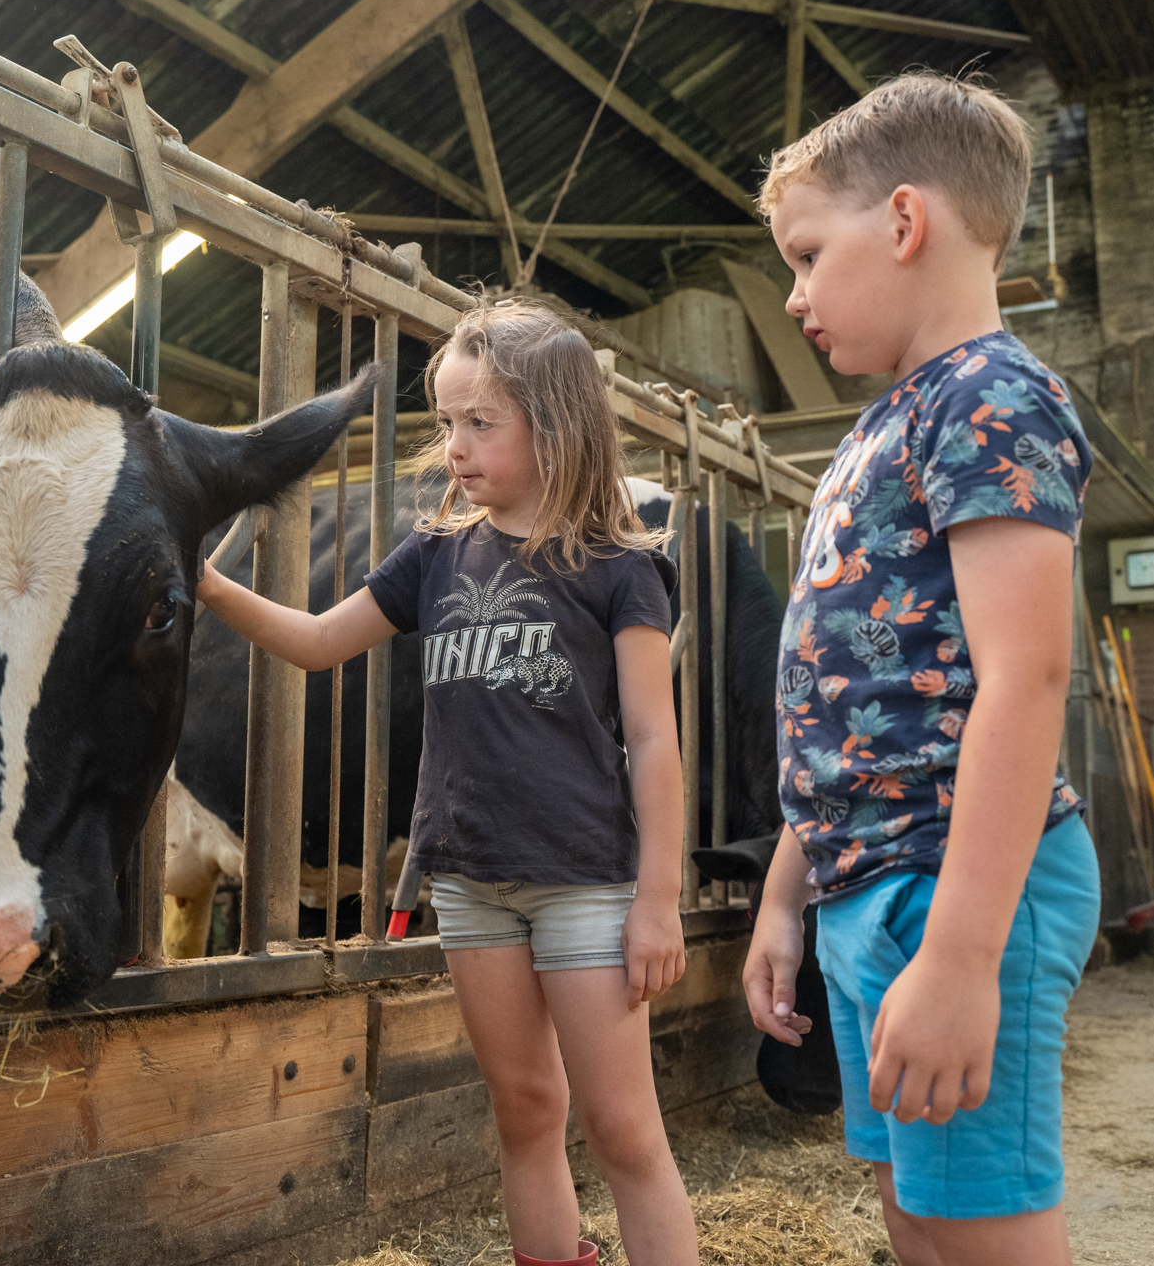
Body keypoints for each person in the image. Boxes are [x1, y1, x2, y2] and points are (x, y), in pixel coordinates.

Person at [196, 302, 699, 1266]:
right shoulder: (433, 553)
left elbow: (653, 737)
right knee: (523, 1110)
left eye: (481, 422)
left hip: (586, 881)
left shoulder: (623, 568)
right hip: (469, 881)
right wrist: (209, 586)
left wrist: (660, 903)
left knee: (624, 1128)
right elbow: (315, 643)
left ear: (553, 427)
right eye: (446, 422)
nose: (455, 446)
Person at [741, 72, 1100, 1266]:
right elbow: (843, 703)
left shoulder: (992, 398)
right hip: (867, 880)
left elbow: (1026, 679)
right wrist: (788, 894)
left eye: (803, 254)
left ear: (903, 223)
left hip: (954, 881)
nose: (792, 294)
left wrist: (958, 955)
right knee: (918, 1213)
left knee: (983, 1224)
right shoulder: (875, 430)